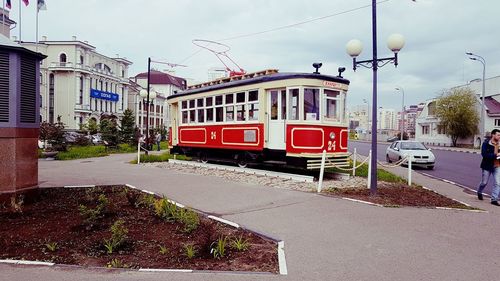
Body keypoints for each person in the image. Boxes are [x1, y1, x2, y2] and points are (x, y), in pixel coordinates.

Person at [477, 129, 500, 206]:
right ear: (493, 135)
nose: (499, 136)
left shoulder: (499, 143)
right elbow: (484, 154)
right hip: (487, 166)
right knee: (484, 182)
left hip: (497, 166)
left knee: (498, 183)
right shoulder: (486, 143)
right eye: (498, 135)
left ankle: (494, 199)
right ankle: (479, 192)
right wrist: (495, 155)